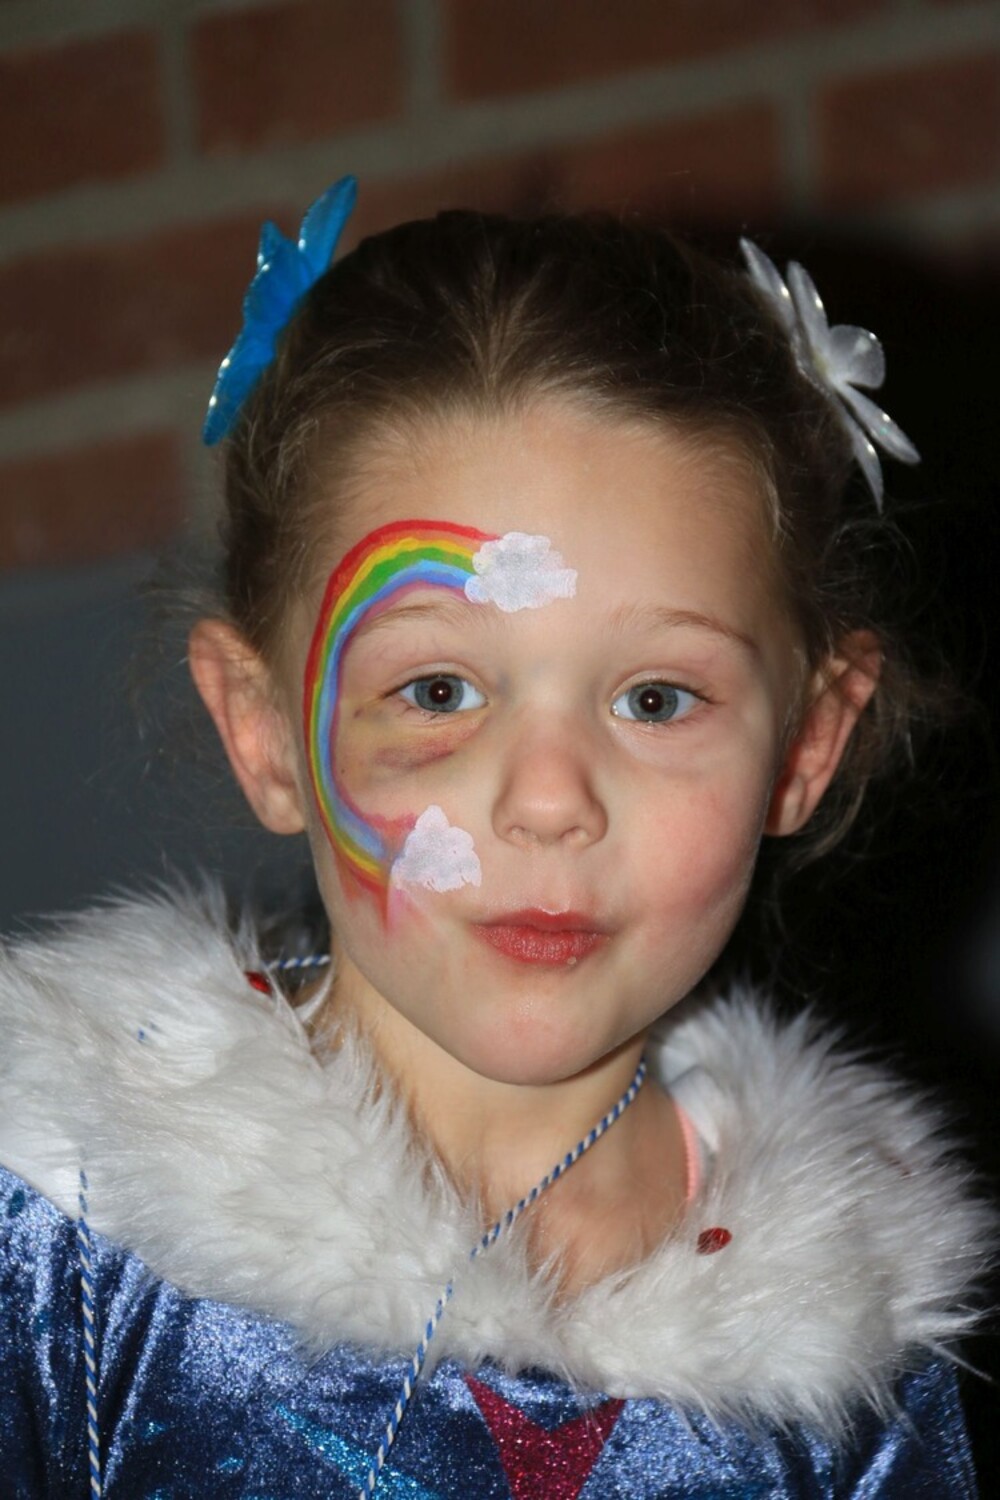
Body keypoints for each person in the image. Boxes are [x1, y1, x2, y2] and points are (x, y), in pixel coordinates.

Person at [0, 176, 991, 1499]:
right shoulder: (65, 1226)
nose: (548, 801)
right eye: (438, 691)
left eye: (656, 700)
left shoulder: (850, 1344)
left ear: (808, 745)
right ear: (265, 730)